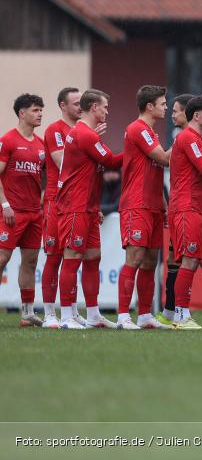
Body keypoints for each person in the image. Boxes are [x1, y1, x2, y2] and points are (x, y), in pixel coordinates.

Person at [56, 89, 124, 329]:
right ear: (94, 107)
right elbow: (113, 162)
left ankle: (93, 314)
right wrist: (137, 147)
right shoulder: (85, 134)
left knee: (93, 258)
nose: (107, 111)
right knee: (72, 257)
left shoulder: (86, 134)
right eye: (105, 107)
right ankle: (65, 315)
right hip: (75, 206)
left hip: (88, 207)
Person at [158, 94, 202, 328]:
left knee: (192, 261)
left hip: (193, 207)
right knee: (188, 261)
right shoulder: (188, 138)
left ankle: (178, 314)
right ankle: (180, 315)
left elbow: (192, 177)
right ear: (196, 115)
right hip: (186, 209)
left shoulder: (194, 139)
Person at [115, 85, 172, 330]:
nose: (167, 107)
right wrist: (187, 137)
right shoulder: (138, 129)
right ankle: (122, 316)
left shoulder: (151, 132)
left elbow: (155, 171)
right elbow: (164, 159)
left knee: (150, 261)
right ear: (149, 106)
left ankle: (145, 315)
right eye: (163, 103)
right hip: (136, 204)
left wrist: (164, 204)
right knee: (135, 258)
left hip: (152, 206)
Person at [41, 87, 91, 327]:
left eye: (82, 102)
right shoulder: (55, 130)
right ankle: (50, 313)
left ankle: (70, 310)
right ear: (62, 106)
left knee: (74, 257)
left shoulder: (83, 130)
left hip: (78, 201)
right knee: (54, 256)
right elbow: (62, 162)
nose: (80, 107)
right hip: (55, 200)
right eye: (75, 103)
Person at [0, 94, 46, 327]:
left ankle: (27, 313)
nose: (40, 114)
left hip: (34, 213)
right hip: (11, 212)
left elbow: (46, 177)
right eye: (36, 110)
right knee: (2, 259)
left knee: (30, 261)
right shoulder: (7, 140)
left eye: (41, 110)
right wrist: (5, 205)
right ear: (22, 113)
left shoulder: (41, 145)